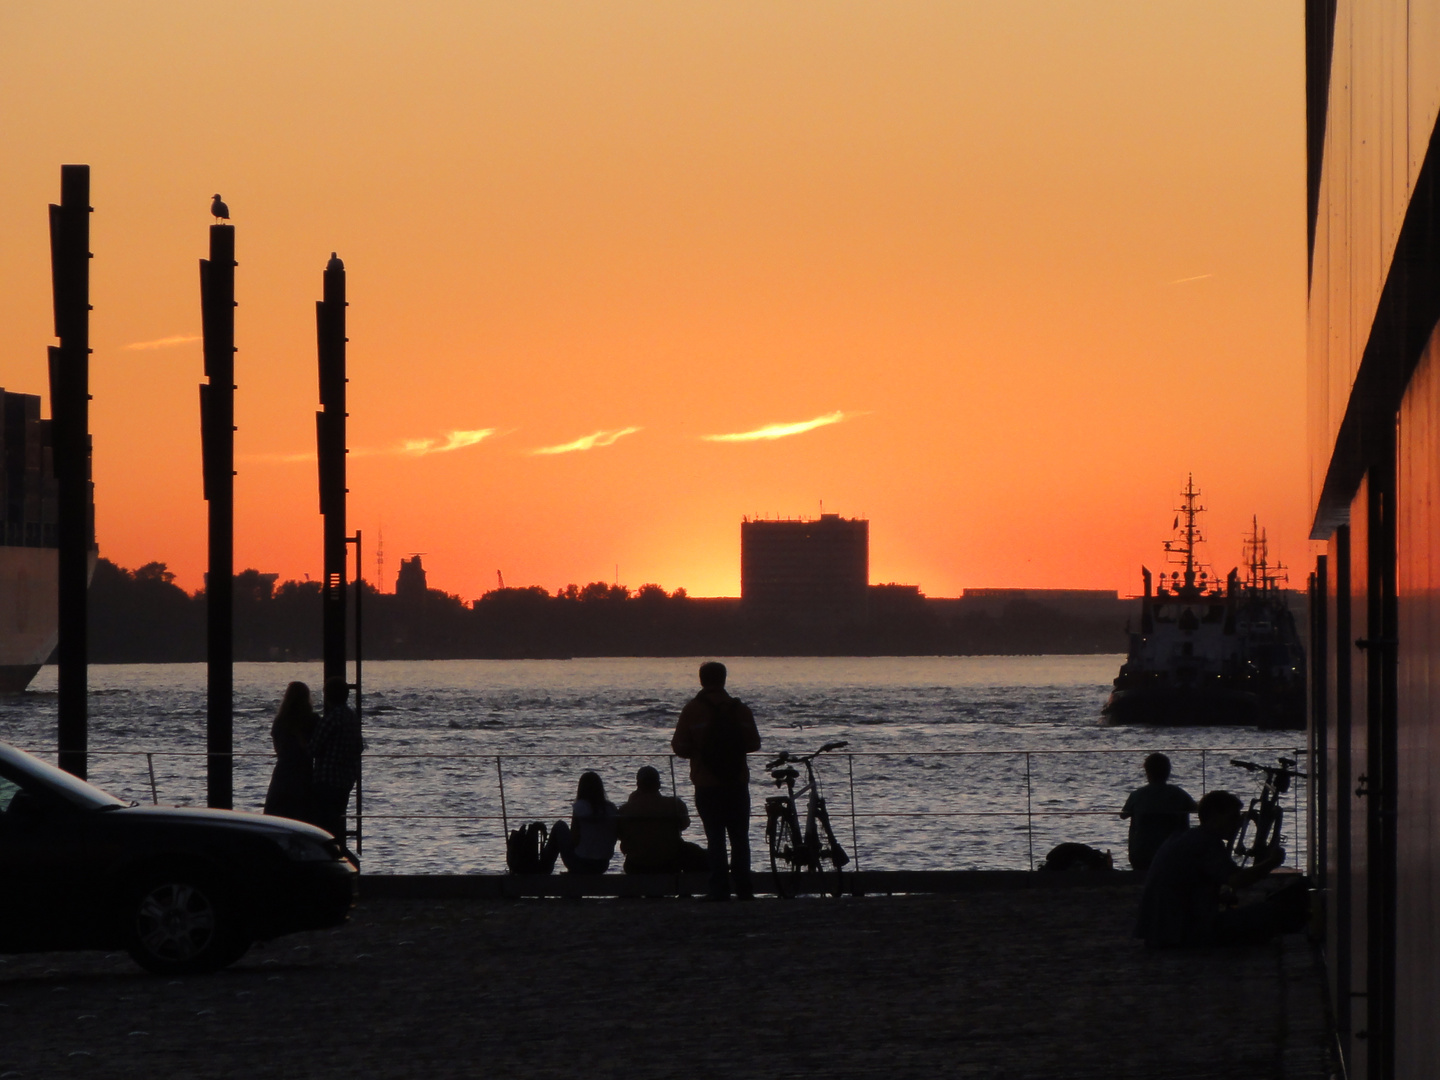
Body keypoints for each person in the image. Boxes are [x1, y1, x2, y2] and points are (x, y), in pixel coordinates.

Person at [1135, 789, 1308, 948]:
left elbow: (1182, 886)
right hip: (1182, 933)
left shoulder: (1184, 837)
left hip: (1162, 931)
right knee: (1273, 912)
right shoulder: (1206, 842)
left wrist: (1213, 898)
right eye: (1232, 818)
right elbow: (1238, 880)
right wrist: (1272, 862)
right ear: (1214, 816)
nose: (1238, 824)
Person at [671, 660, 761, 901]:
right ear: (724, 679)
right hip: (737, 783)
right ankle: (744, 887)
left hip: (706, 783)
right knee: (740, 837)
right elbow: (754, 744)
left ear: (701, 680)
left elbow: (678, 746)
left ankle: (719, 888)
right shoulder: (740, 709)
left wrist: (700, 751)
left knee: (715, 837)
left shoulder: (692, 709)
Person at [616, 765, 709, 874]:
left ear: (638, 785)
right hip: (669, 863)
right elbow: (684, 824)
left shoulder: (626, 809)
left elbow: (619, 834)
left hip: (636, 864)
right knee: (693, 851)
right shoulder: (675, 805)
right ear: (659, 785)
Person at [1119, 752, 1199, 870]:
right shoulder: (1178, 793)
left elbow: (1123, 815)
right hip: (1174, 855)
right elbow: (1196, 809)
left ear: (1147, 772)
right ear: (1168, 772)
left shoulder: (1137, 795)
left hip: (1141, 856)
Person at [311, 676, 365, 843]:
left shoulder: (332, 718)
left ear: (327, 696)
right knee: (337, 819)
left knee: (323, 822)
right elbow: (359, 746)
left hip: (327, 778)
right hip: (346, 779)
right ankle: (337, 849)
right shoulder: (352, 716)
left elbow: (314, 748)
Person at [541, 771, 618, 875]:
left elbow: (575, 839)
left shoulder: (580, 807)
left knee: (560, 826)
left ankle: (544, 868)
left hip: (581, 864)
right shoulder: (611, 808)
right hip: (602, 865)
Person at [263, 681, 318, 823]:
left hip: (283, 770)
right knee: (301, 814)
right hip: (303, 771)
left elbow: (277, 747)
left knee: (276, 812)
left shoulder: (280, 720)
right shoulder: (312, 720)